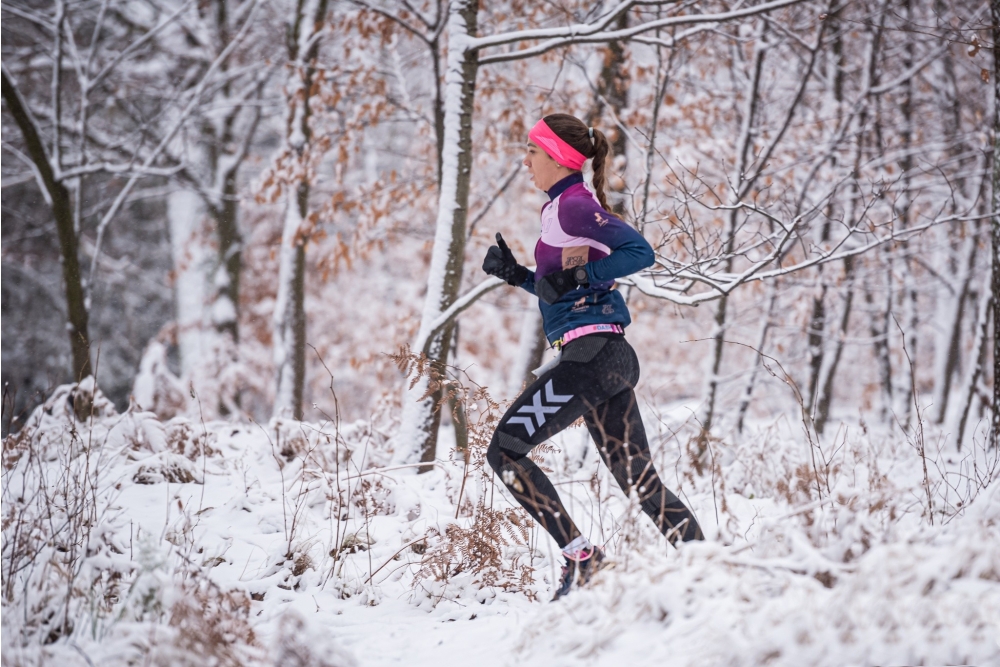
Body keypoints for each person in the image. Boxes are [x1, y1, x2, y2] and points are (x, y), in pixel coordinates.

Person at [482, 113, 704, 601]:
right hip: (607, 357)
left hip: (590, 356)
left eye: (532, 152)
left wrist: (581, 279)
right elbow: (559, 289)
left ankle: (583, 559)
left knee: (505, 449)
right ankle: (707, 568)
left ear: (557, 156)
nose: (526, 161)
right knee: (639, 481)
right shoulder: (559, 210)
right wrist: (518, 275)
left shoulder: (573, 205)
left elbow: (639, 252)